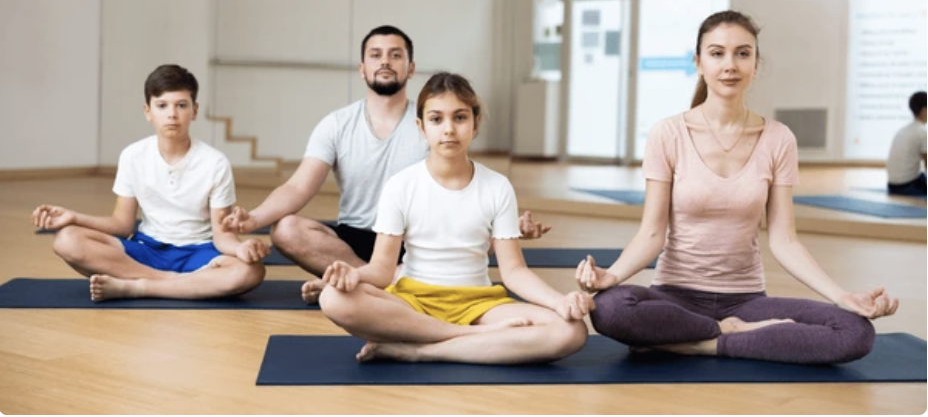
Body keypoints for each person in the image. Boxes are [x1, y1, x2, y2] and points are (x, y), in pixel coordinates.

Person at [575, 10, 899, 365]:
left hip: (746, 301)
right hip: (674, 297)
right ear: (698, 63)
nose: (730, 64)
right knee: (610, 309)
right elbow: (652, 233)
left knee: (855, 332)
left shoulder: (778, 139)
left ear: (756, 64)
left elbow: (784, 239)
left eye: (742, 53)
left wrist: (842, 296)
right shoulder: (667, 134)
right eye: (717, 53)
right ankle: (732, 334)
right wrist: (613, 275)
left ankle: (703, 342)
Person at [221, 25, 549, 303]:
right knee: (287, 229)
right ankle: (378, 279)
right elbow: (297, 186)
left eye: (395, 54)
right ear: (362, 68)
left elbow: (461, 187)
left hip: (416, 239)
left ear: (411, 67)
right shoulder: (336, 124)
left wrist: (506, 225)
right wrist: (253, 219)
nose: (385, 61)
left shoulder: (431, 121)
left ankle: (366, 284)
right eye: (375, 55)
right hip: (354, 236)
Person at [318, 72, 592, 364]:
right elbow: (382, 271)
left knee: (570, 331)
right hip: (412, 301)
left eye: (459, 118)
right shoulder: (400, 185)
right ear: (421, 127)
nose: (448, 129)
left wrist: (559, 301)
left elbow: (513, 271)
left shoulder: (497, 186)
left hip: (480, 304)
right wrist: (352, 276)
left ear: (475, 124)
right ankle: (467, 337)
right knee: (332, 298)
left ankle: (422, 350)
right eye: (436, 119)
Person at [32, 64, 268, 301]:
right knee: (67, 239)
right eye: (162, 105)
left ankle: (137, 286)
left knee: (250, 271)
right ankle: (173, 283)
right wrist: (73, 218)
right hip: (147, 249)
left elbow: (221, 235)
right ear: (148, 111)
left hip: (200, 253)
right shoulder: (132, 156)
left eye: (181, 105)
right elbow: (122, 225)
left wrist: (240, 248)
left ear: (194, 111)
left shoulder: (215, 162)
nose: (172, 114)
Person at [886, 91, 926, 197]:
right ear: (924, 110)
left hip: (892, 185)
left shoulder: (904, 130)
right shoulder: (922, 131)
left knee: (921, 177)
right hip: (906, 187)